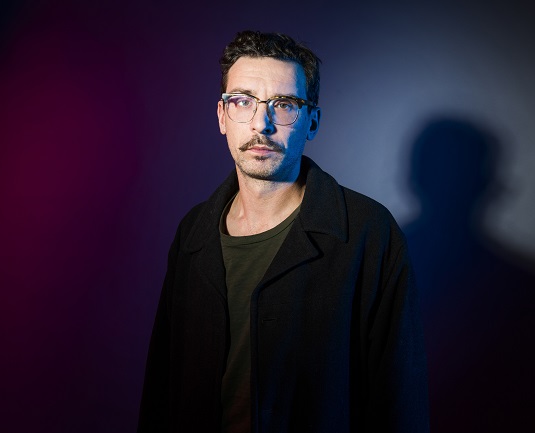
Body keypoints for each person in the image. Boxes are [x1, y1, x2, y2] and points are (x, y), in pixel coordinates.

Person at [138, 30, 429, 433]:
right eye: (243, 101)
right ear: (222, 117)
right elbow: (162, 387)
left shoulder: (369, 233)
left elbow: (399, 400)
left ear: (312, 121)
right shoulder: (193, 232)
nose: (262, 123)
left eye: (285, 104)